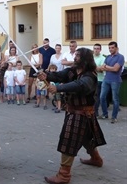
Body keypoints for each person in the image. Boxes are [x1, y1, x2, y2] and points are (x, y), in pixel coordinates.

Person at [38, 48, 106, 184]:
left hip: (81, 114)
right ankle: (96, 159)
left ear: (85, 59)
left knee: (68, 141)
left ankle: (64, 176)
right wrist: (46, 75)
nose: (75, 58)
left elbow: (79, 85)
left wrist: (58, 88)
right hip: (75, 112)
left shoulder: (89, 76)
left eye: (78, 56)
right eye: (75, 56)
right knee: (87, 138)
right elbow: (59, 76)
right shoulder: (73, 70)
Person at [100, 41, 125, 124]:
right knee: (102, 97)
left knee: (115, 99)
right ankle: (105, 114)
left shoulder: (120, 57)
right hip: (106, 79)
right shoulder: (108, 57)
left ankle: (114, 117)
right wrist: (108, 68)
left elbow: (116, 69)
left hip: (115, 80)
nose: (110, 49)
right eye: (109, 48)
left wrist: (106, 67)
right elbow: (102, 68)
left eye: (112, 48)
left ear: (116, 48)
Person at [93, 43, 105, 117]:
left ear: (100, 50)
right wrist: (96, 68)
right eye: (95, 48)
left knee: (97, 97)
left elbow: (101, 69)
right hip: (91, 79)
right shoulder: (91, 57)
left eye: (98, 49)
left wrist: (92, 67)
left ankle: (96, 112)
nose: (96, 50)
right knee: (92, 96)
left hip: (99, 80)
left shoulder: (103, 58)